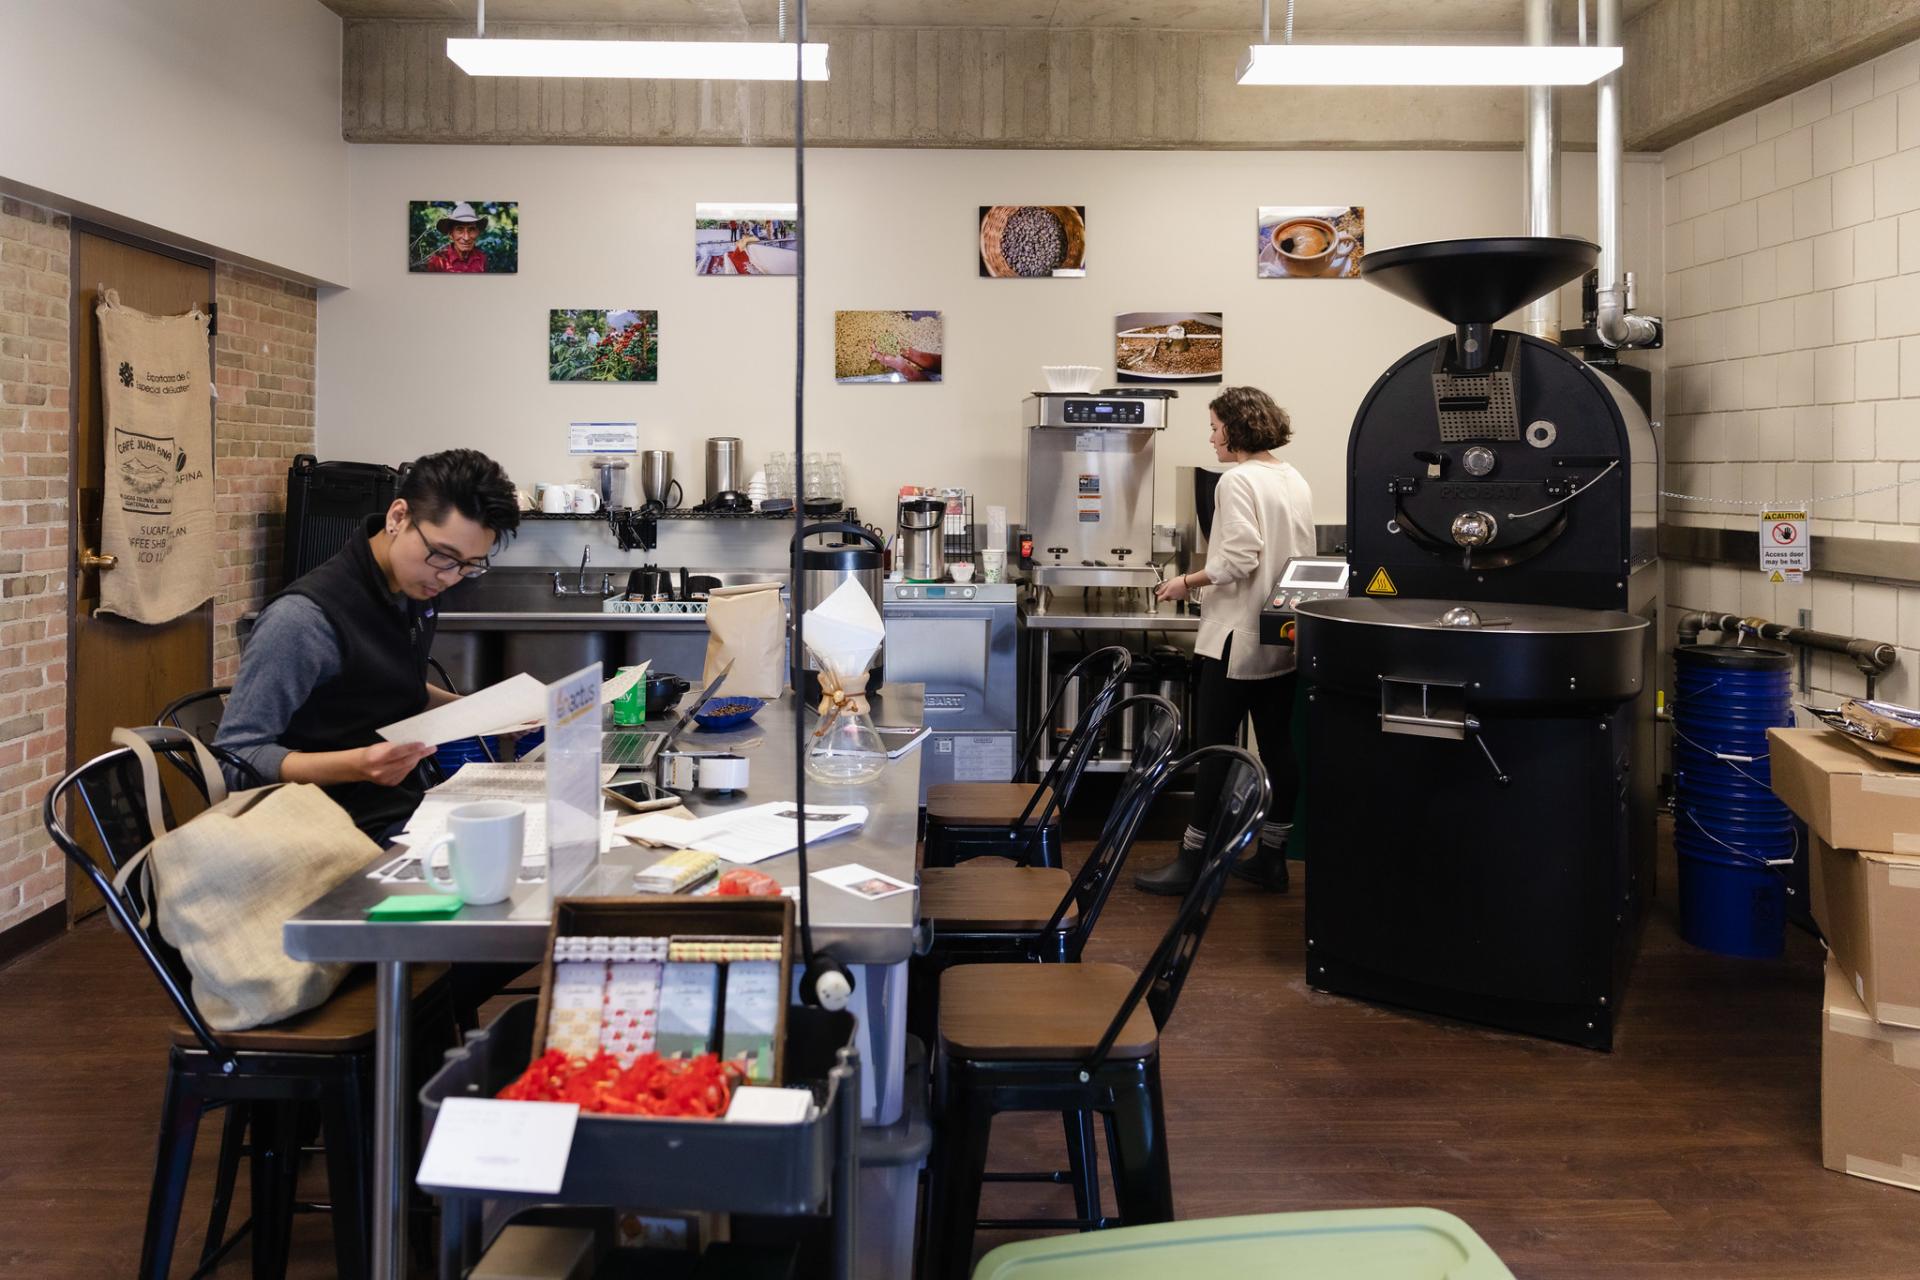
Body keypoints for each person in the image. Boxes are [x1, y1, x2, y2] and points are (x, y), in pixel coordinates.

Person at [217, 449, 521, 838]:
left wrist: (486, 714)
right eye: (444, 557)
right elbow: (235, 757)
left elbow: (389, 688)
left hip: (402, 809)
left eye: (470, 565)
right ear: (398, 517)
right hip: (328, 832)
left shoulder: (413, 587)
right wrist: (358, 764)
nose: (449, 578)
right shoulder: (304, 619)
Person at [1134, 387, 1315, 896]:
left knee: (1212, 749)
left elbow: (1238, 559)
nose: (1211, 437)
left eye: (1215, 427)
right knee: (1278, 746)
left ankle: (1191, 860)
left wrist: (1184, 582)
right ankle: (1272, 858)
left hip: (1236, 639)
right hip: (1282, 636)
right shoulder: (1291, 477)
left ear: (1236, 429)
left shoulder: (1237, 480)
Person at [420, 202, 489, 273]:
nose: (466, 238)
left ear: (477, 233)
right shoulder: (438, 261)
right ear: (450, 234)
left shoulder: (481, 258)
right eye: (460, 229)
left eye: (471, 229)